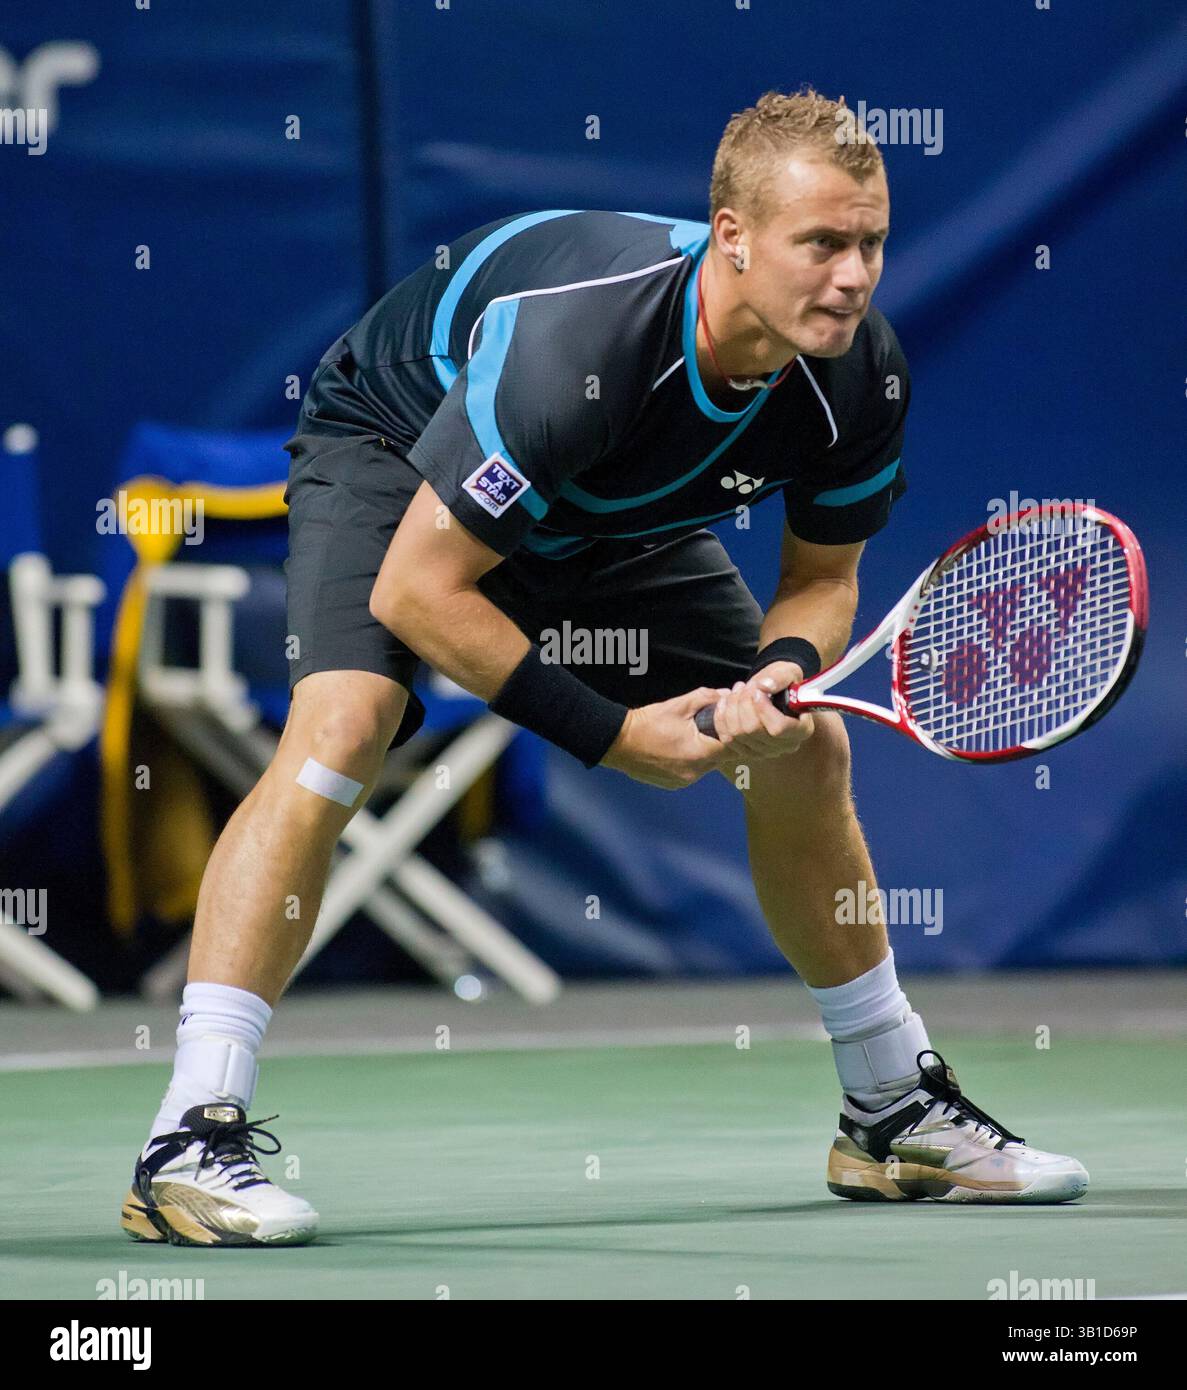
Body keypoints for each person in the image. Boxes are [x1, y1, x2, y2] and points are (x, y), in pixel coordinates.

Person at [120, 88, 1085, 1247]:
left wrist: (775, 673)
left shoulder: (856, 372)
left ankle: (889, 1110)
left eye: (870, 242)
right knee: (343, 724)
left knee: (808, 741)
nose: (852, 276)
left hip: (606, 511)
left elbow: (821, 581)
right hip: (397, 447)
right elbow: (418, 593)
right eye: (820, 243)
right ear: (731, 235)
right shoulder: (582, 342)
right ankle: (187, 1135)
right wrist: (618, 736)